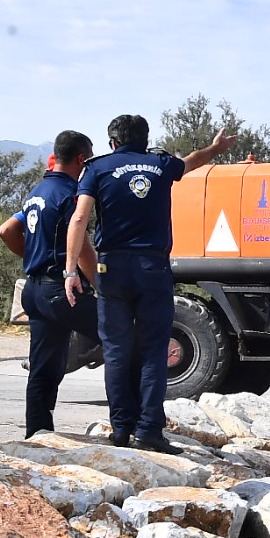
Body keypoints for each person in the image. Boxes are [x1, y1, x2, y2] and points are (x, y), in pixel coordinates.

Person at [65, 115, 233, 452]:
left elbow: (80, 218)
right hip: (153, 268)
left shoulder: (97, 169)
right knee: (154, 350)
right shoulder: (161, 165)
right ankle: (148, 432)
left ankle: (120, 429)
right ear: (145, 139)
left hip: (112, 268)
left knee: (116, 350)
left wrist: (71, 271)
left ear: (112, 142)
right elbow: (193, 161)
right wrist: (216, 148)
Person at [0, 130, 100, 438]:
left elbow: (5, 230)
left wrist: (33, 255)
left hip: (35, 290)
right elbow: (80, 245)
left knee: (45, 367)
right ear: (81, 159)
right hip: (60, 290)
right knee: (124, 338)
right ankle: (132, 424)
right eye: (90, 159)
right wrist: (100, 285)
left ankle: (38, 434)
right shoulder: (72, 194)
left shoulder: (37, 192)